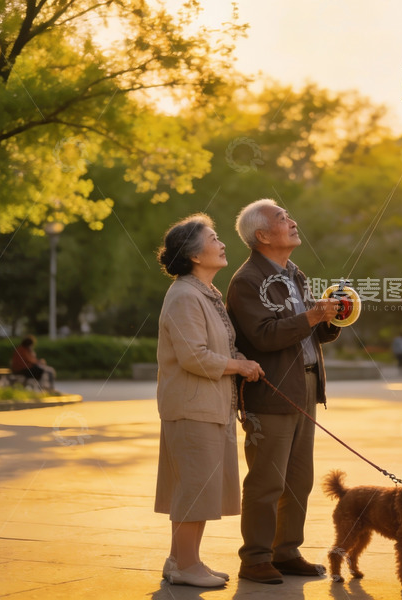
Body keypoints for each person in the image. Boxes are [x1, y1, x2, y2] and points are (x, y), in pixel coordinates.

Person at [226, 199, 340, 585]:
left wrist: (333, 318)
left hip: (304, 384)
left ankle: (286, 551)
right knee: (266, 480)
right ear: (262, 235)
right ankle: (256, 557)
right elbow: (264, 336)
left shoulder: (294, 273)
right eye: (282, 218)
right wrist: (311, 316)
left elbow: (307, 330)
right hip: (271, 390)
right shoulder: (247, 281)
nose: (292, 222)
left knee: (298, 477)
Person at [154, 213, 264, 588]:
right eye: (214, 238)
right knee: (195, 489)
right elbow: (194, 356)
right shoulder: (185, 295)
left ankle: (179, 561)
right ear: (195, 255)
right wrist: (240, 365)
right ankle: (187, 566)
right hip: (192, 407)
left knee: (194, 486)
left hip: (207, 406)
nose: (222, 244)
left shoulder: (204, 293)